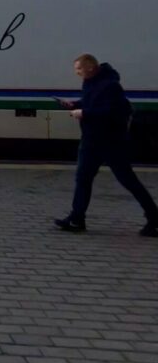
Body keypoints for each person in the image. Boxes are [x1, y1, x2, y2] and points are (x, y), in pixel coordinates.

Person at [55, 54, 158, 236]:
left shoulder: (111, 86)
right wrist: (75, 104)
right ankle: (77, 218)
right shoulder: (91, 82)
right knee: (83, 179)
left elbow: (111, 111)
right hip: (91, 140)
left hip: (110, 141)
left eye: (79, 69)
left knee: (128, 180)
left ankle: (154, 218)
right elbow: (93, 103)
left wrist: (84, 113)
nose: (77, 73)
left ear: (90, 67)